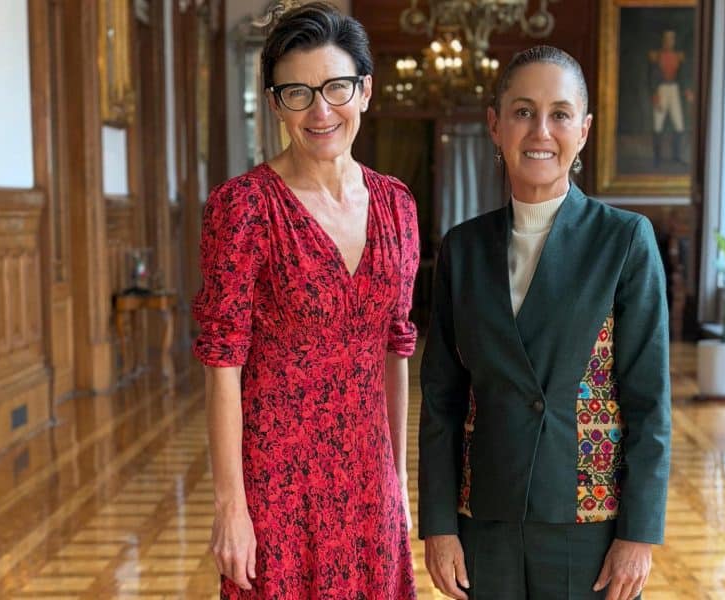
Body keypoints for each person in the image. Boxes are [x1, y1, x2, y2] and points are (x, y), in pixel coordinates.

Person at [419, 45, 671, 600]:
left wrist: (639, 533)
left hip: (587, 517)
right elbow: (440, 399)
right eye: (523, 111)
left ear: (582, 130)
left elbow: (649, 400)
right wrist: (438, 526)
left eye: (559, 114)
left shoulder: (625, 240)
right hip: (484, 513)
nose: (541, 130)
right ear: (495, 125)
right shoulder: (462, 249)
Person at [191, 3, 419, 598]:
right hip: (278, 483)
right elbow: (222, 369)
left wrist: (398, 481)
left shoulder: (397, 205)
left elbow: (396, 352)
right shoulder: (243, 208)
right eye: (297, 92)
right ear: (274, 103)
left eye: (336, 87)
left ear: (365, 91)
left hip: (369, 479)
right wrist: (230, 509)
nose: (320, 110)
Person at [647, 30, 693, 166]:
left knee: (679, 124)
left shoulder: (678, 56)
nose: (669, 41)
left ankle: (676, 156)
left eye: (672, 39)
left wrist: (687, 91)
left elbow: (682, 76)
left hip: (674, 90)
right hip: (661, 89)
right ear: (663, 40)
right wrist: (655, 94)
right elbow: (652, 77)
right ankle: (657, 159)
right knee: (658, 125)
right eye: (667, 38)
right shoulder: (656, 56)